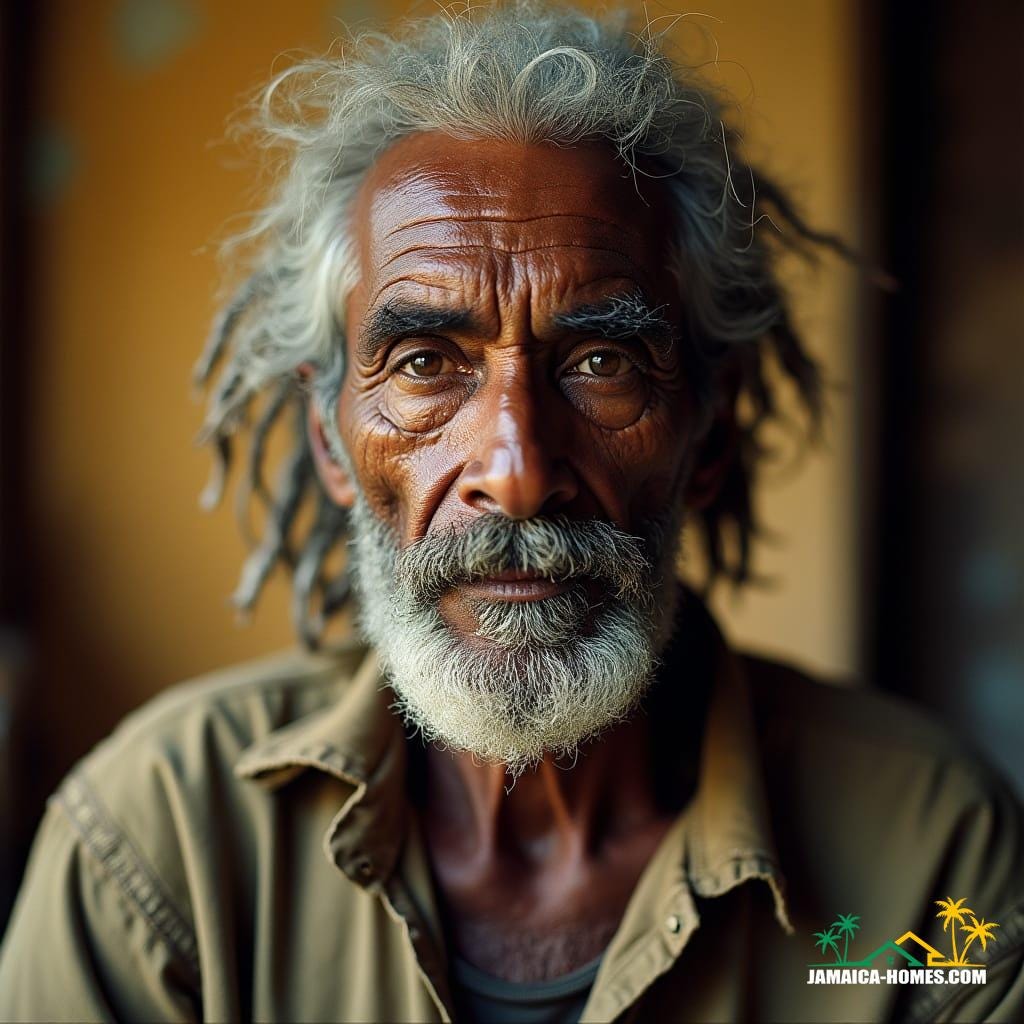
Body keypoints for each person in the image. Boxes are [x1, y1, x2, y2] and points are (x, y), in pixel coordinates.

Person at [1, 3, 1022, 1021]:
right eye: (424, 364)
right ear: (332, 443)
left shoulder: (929, 866)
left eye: (601, 362)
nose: (516, 470)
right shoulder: (157, 840)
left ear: (707, 435)